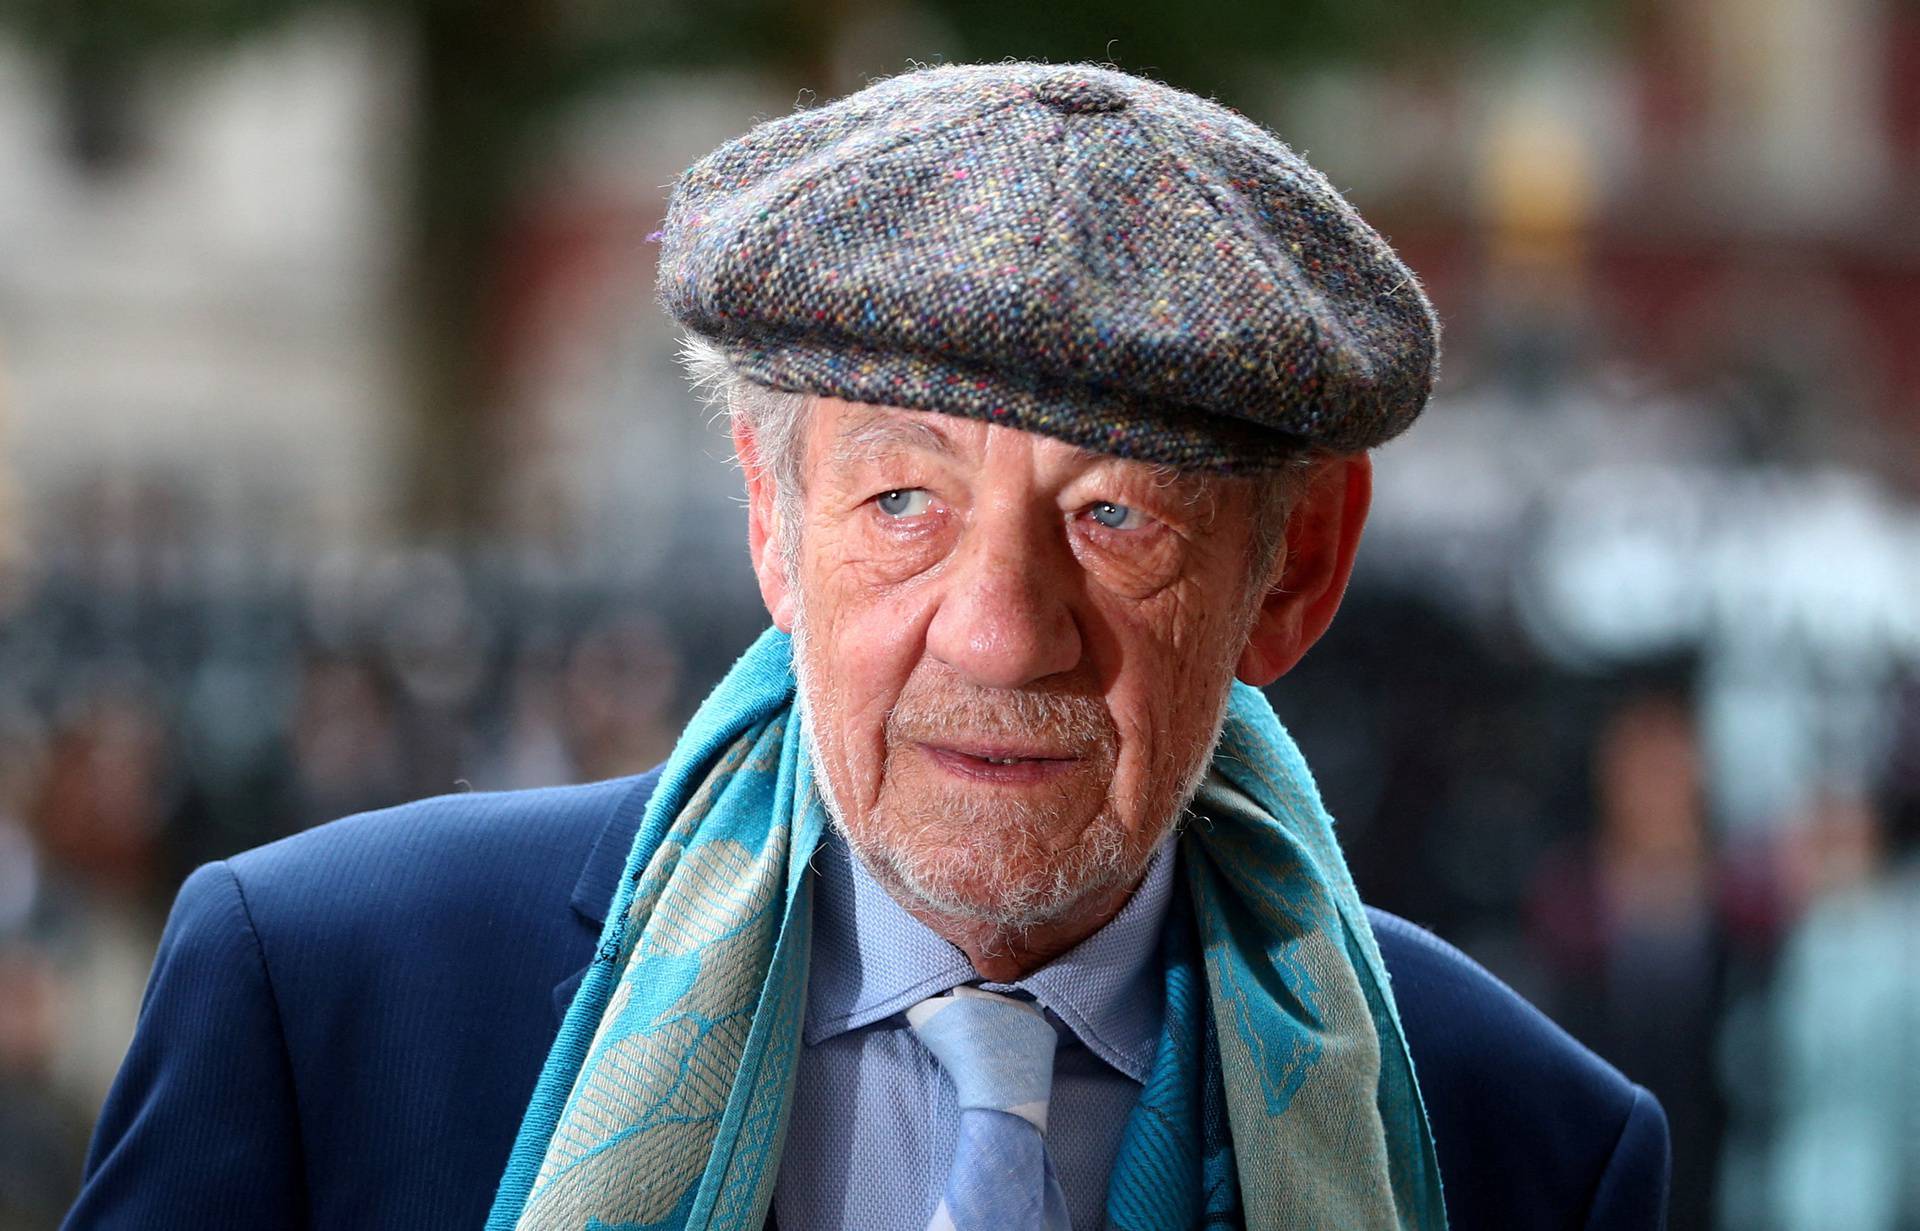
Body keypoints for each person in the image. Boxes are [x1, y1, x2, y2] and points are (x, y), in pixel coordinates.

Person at [65, 62, 1669, 1230]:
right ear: (772, 517)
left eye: (1116, 519)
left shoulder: (1519, 1145)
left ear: (1294, 573)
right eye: (904, 497)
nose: (996, 627)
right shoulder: (325, 995)